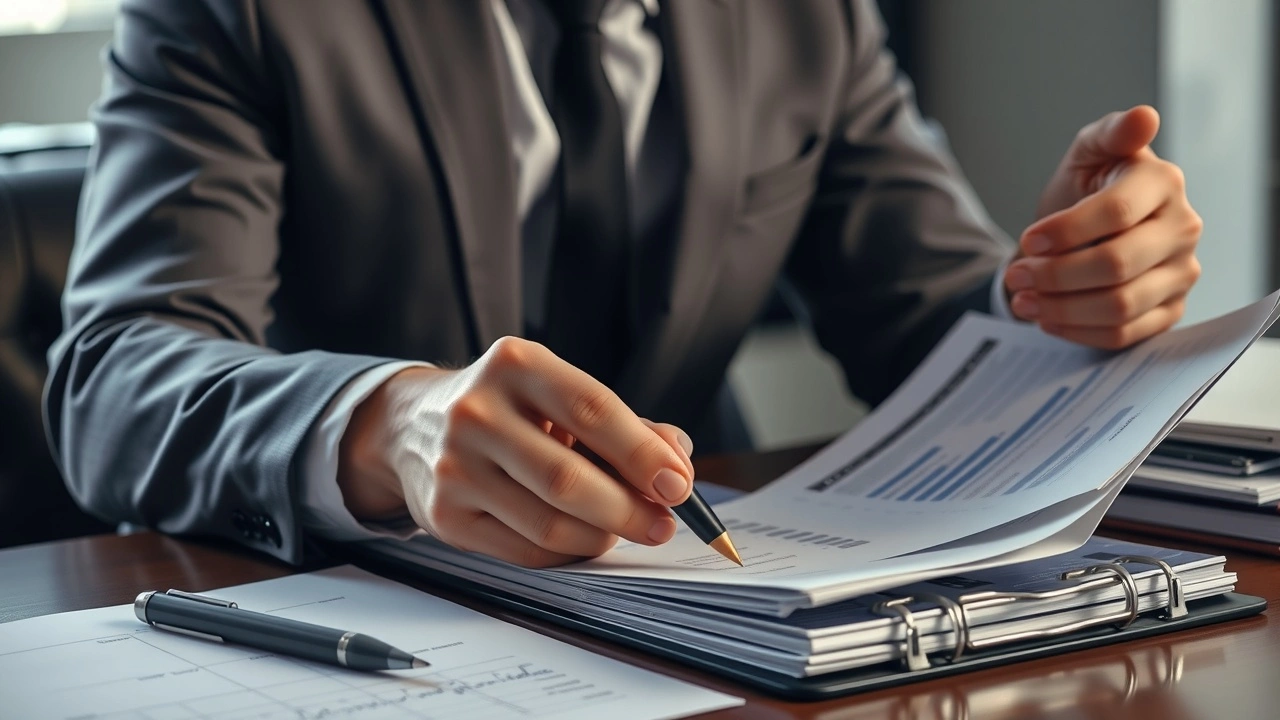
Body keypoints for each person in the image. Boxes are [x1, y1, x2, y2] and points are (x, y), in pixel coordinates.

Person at [45, 0, 1202, 567]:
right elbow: (115, 376)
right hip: (358, 614)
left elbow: (924, 312)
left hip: (701, 600)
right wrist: (383, 421)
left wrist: (1051, 299)